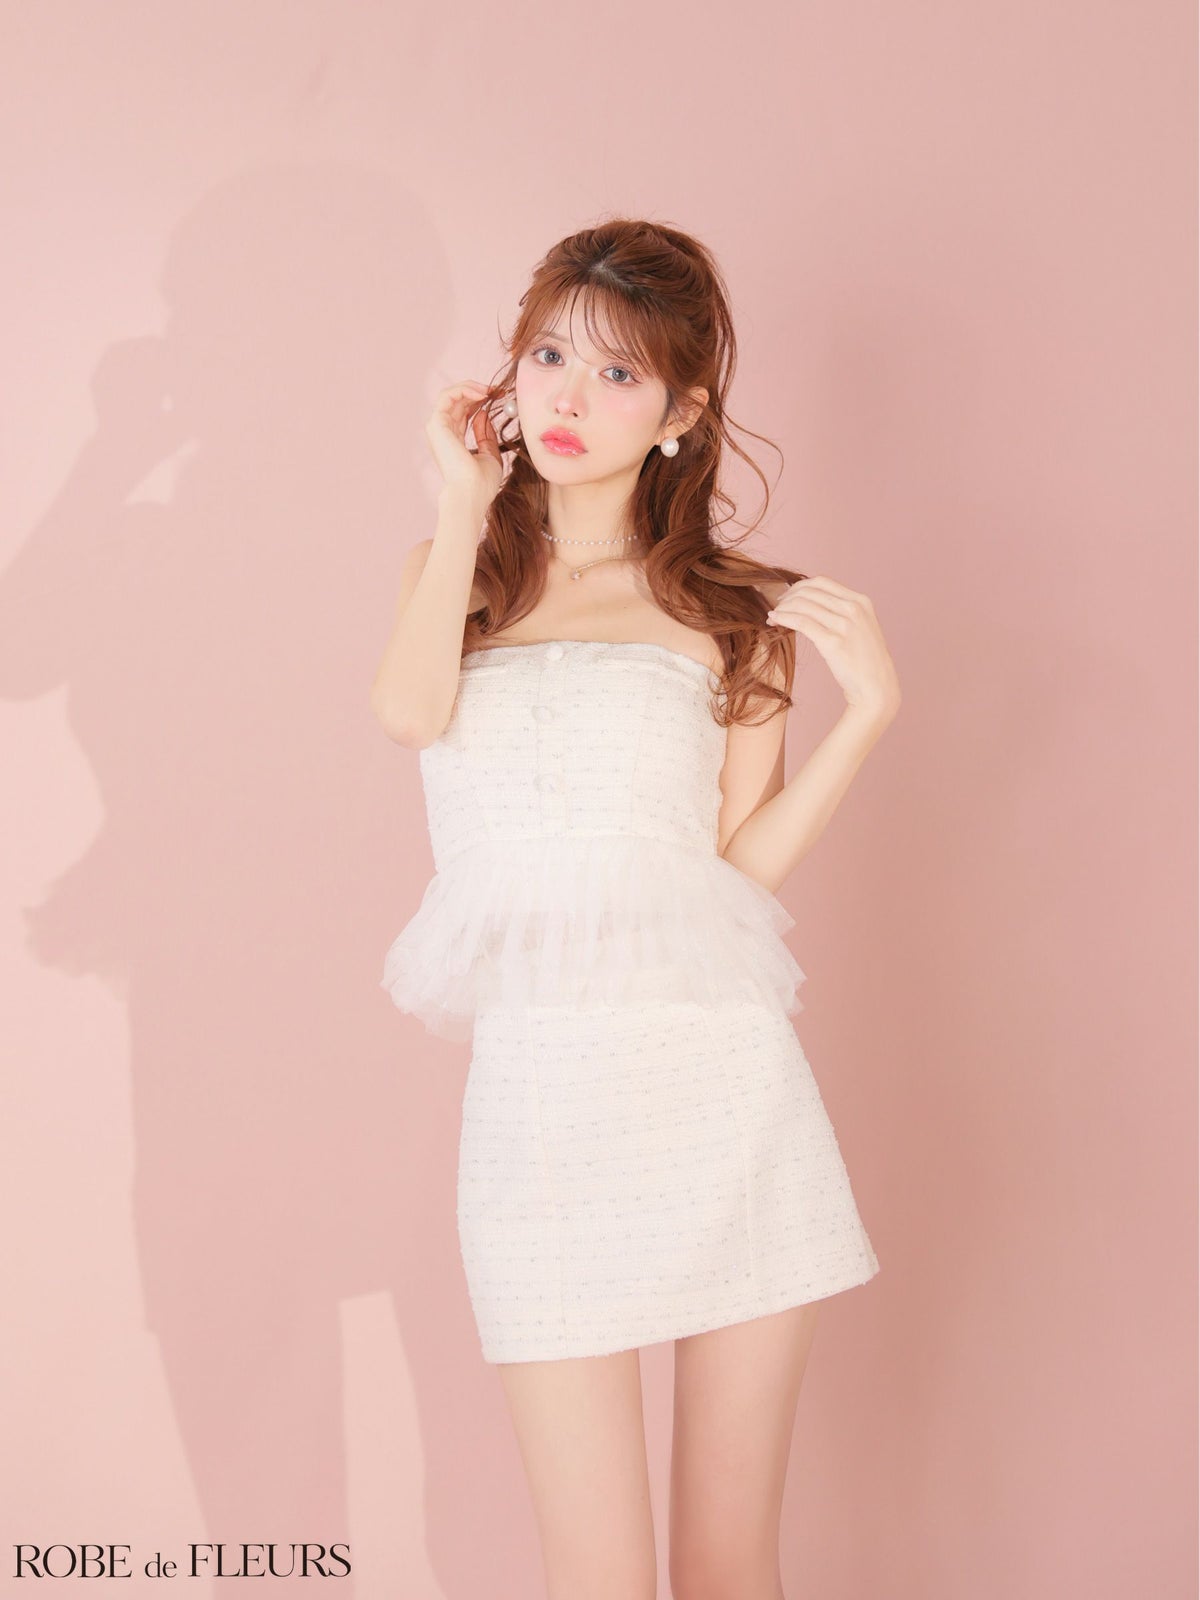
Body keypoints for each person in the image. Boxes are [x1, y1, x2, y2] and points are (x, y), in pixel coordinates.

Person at [370, 217, 902, 1600]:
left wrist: (865, 721)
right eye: (548, 355)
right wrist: (459, 506)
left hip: (722, 1097)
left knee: (728, 1566)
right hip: (542, 1119)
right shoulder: (455, 575)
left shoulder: (734, 615)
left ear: (682, 414)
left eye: (617, 375)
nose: (566, 397)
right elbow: (409, 713)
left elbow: (732, 870)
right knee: (594, 1574)